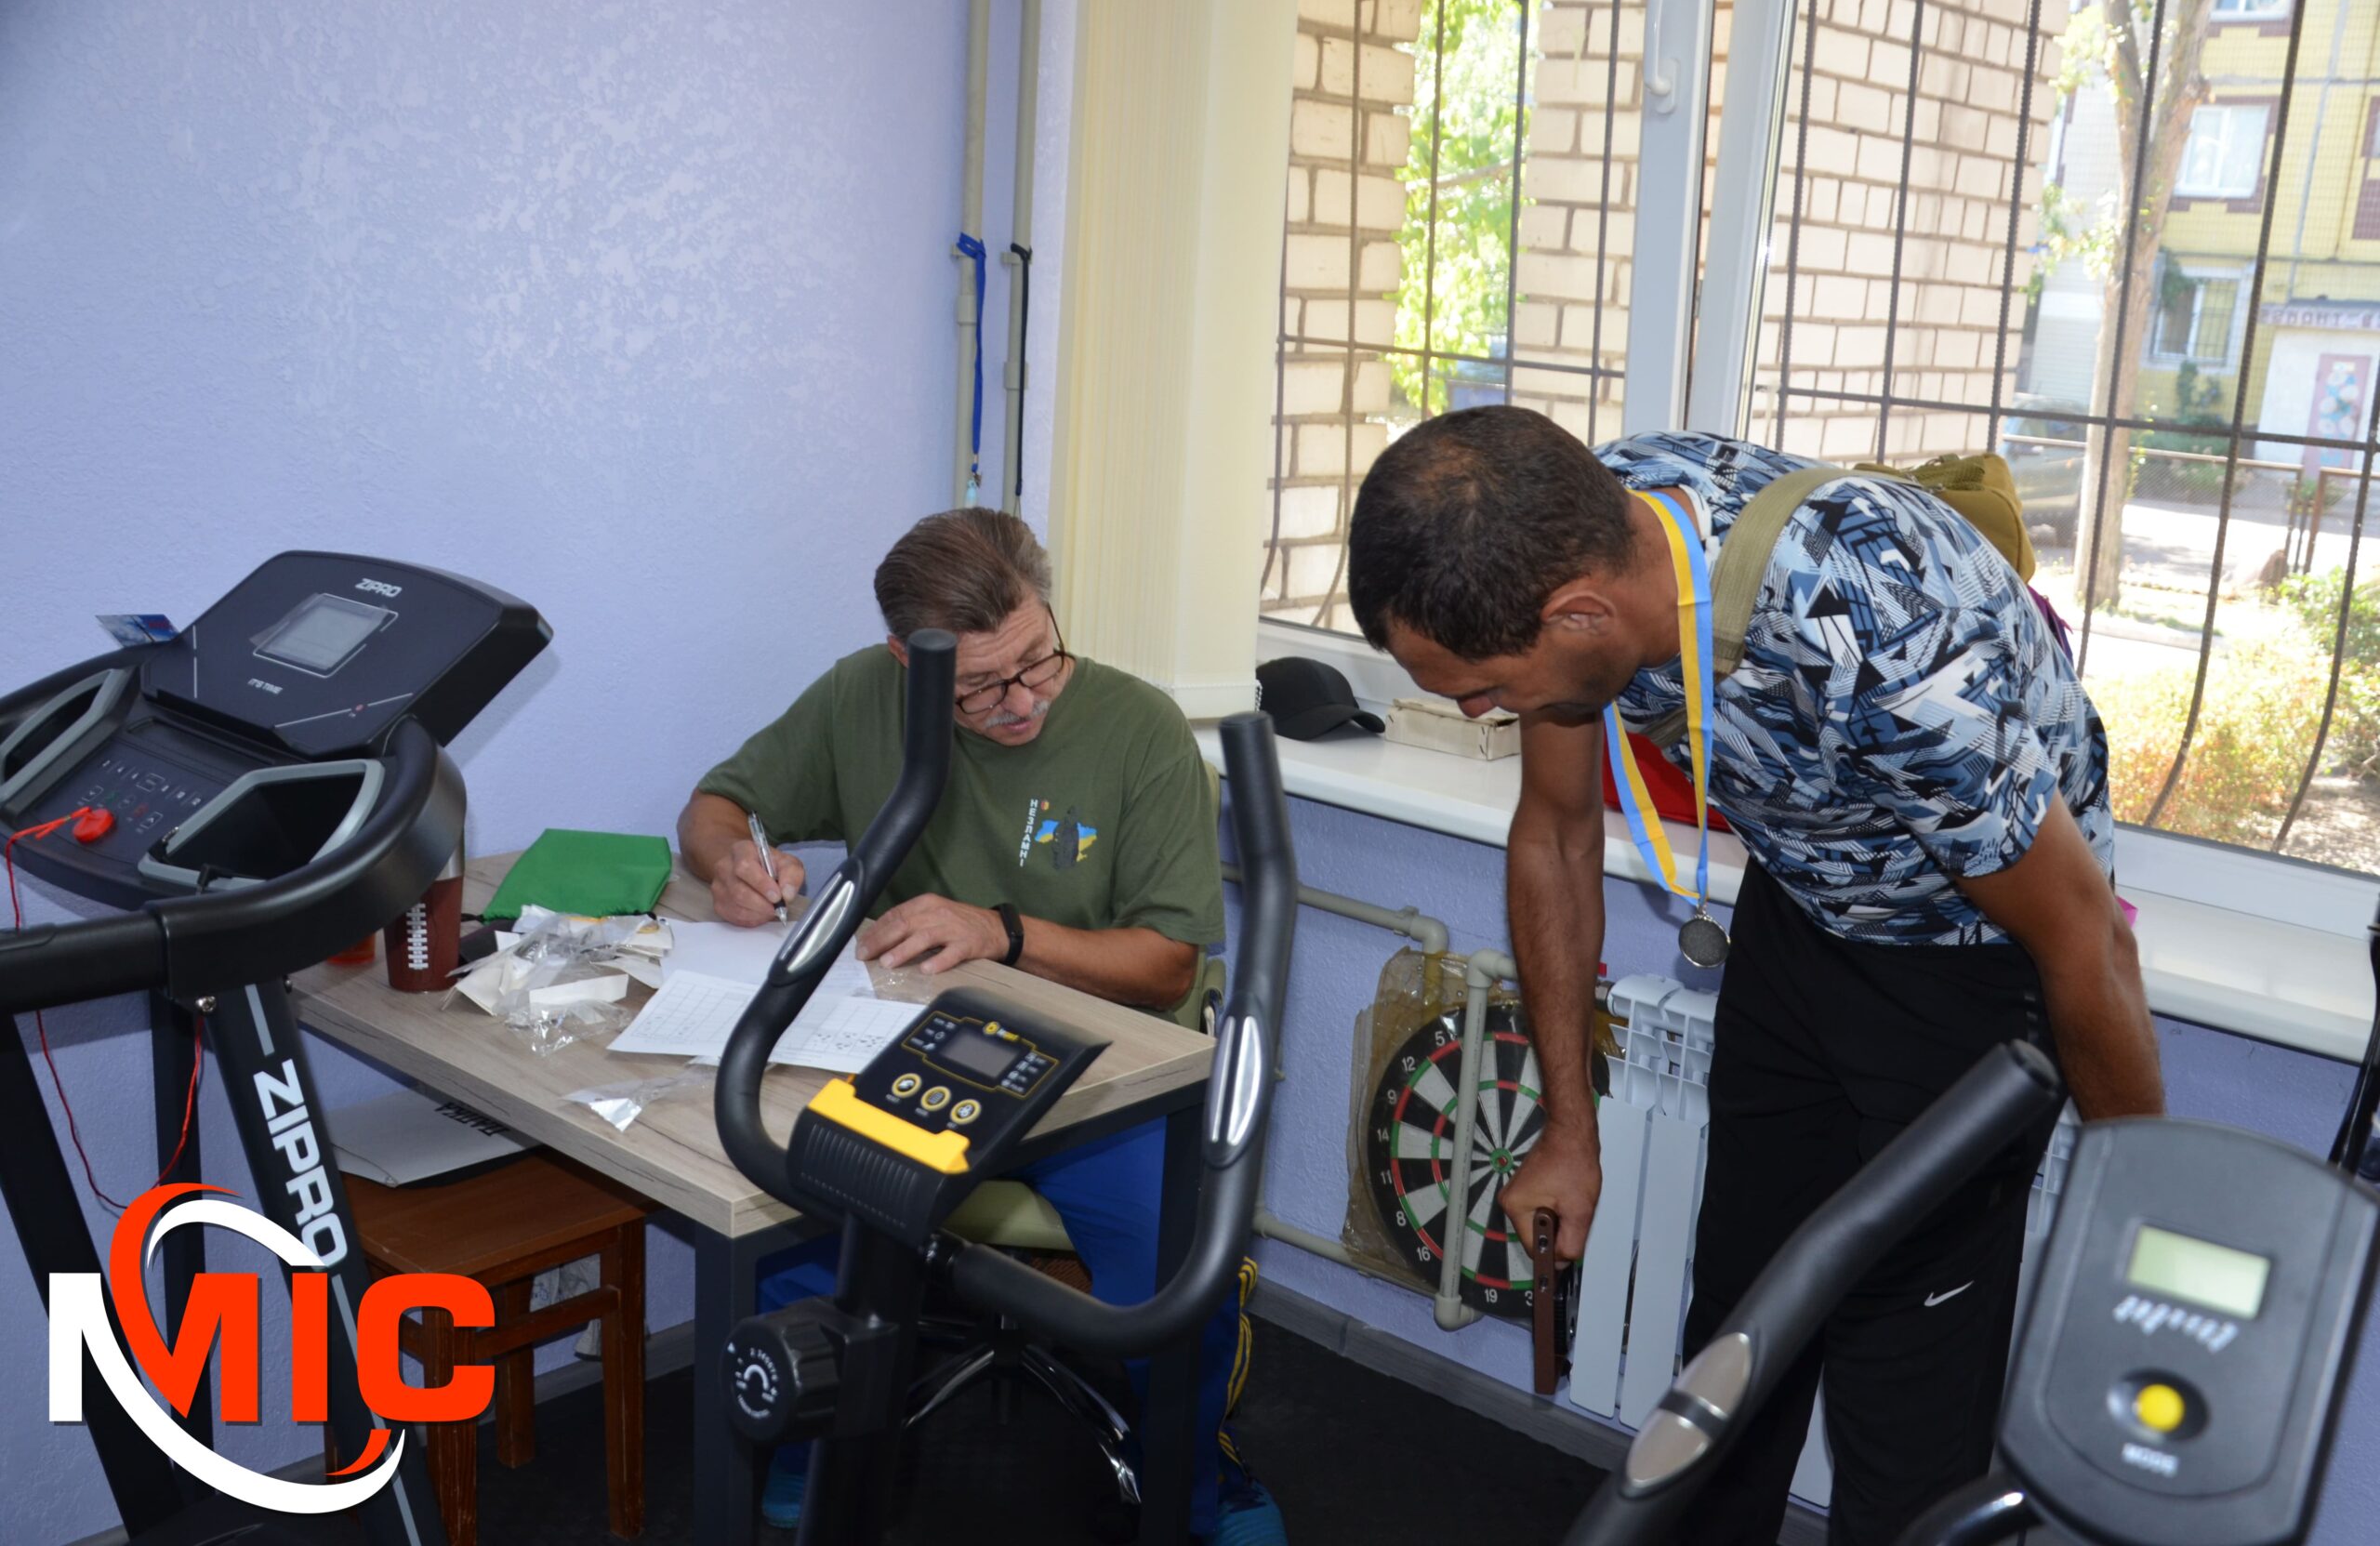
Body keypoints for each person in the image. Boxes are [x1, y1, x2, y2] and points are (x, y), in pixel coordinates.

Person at [1346, 409, 2162, 1545]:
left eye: (1482, 689)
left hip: (1966, 962)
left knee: (1906, 1394)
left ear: (1580, 614)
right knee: (1738, 1332)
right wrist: (1570, 1130)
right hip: (1805, 907)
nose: (1478, 714)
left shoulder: (1886, 636)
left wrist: (2145, 1238)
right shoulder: (1573, 525)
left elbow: (2087, 941)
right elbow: (1556, 831)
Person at [679, 507, 1284, 1544]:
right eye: (979, 687)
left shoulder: (1140, 731)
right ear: (904, 663)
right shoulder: (860, 695)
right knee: (786, 1190)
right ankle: (811, 1448)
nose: (1021, 700)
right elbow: (716, 804)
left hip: (1108, 1076)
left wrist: (1002, 932)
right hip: (919, 1047)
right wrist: (731, 862)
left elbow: (1169, 963)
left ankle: (1198, 1485)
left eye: (1036, 660)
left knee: (1172, 1268)